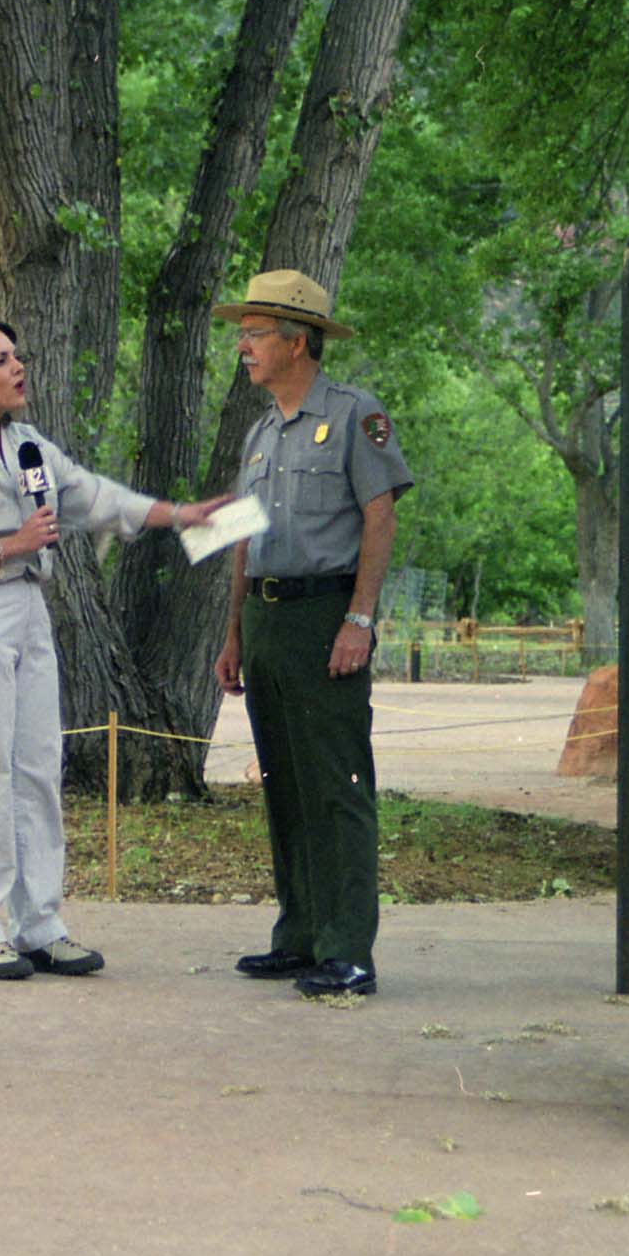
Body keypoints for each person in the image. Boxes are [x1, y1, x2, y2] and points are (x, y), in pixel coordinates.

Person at [0, 317, 225, 982]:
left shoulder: (27, 446)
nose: (18, 367)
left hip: (28, 609)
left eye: (19, 355)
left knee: (39, 765)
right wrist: (9, 545)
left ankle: (40, 925)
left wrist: (179, 513)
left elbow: (93, 496)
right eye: (0, 360)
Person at [212, 270, 413, 998]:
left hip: (325, 614)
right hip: (265, 615)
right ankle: (298, 935)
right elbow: (241, 532)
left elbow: (380, 517)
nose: (243, 346)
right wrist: (232, 631)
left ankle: (348, 946)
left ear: (298, 340)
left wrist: (359, 618)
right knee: (284, 783)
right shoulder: (261, 430)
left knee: (337, 783)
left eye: (255, 333)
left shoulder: (357, 415)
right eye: (243, 333)